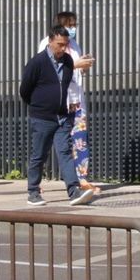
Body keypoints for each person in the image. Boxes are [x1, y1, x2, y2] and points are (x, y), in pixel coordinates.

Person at [19, 24, 98, 207]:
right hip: (42, 117)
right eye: (59, 44)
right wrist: (39, 105)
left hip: (62, 116)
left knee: (65, 153)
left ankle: (74, 190)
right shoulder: (37, 62)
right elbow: (25, 89)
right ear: (50, 41)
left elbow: (65, 86)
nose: (63, 49)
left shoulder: (68, 61)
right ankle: (33, 191)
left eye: (65, 44)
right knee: (39, 154)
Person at [37, 10, 102, 193]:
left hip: (76, 99)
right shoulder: (46, 45)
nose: (72, 29)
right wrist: (75, 64)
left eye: (74, 25)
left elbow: (76, 71)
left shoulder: (74, 45)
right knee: (46, 141)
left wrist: (84, 66)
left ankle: (82, 178)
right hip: (57, 100)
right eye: (69, 25)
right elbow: (49, 69)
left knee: (80, 141)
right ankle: (36, 180)